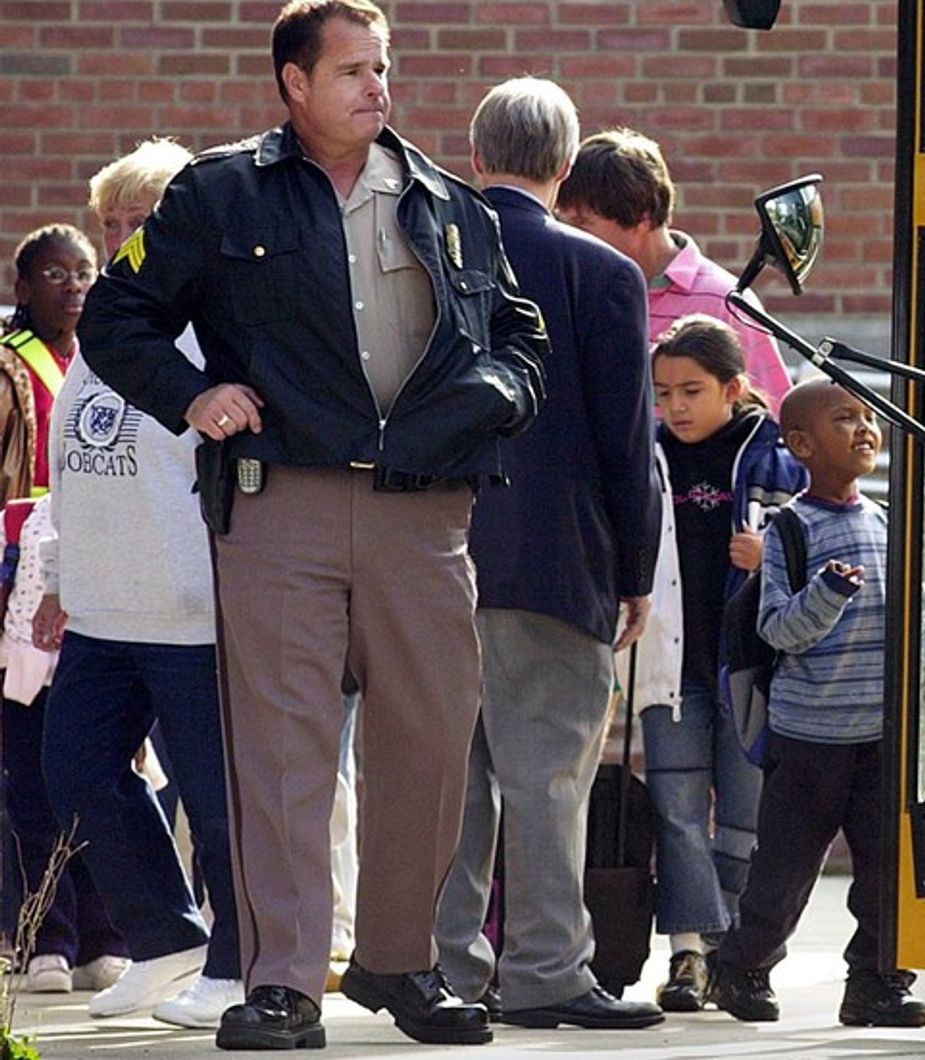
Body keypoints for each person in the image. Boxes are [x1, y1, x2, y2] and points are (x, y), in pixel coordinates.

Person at [77, 0, 548, 1050]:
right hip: (279, 500)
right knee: (283, 754)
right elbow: (118, 318)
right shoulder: (217, 191)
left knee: (427, 745)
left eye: (383, 68)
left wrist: (501, 394)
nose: (376, 88)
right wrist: (192, 397)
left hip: (427, 513)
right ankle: (284, 981)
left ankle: (398, 962)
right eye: (351, 71)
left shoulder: (443, 198)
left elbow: (521, 332)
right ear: (293, 83)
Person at [426, 76, 665, 1032]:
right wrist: (636, 574)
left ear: (477, 157)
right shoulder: (603, 274)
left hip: (433, 554)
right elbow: (626, 441)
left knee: (449, 780)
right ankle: (545, 970)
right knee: (549, 779)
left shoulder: (420, 254)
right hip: (557, 561)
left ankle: (441, 969)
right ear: (565, 166)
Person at [32, 137, 244, 1030]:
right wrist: (56, 574)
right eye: (110, 222)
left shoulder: (211, 330)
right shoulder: (97, 336)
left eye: (141, 221)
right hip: (100, 605)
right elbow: (70, 464)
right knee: (72, 770)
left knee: (217, 799)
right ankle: (165, 936)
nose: (121, 239)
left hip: (190, 611)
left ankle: (239, 963)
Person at [704, 377, 925, 1028]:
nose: (865, 428)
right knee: (784, 872)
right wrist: (826, 595)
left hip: (880, 736)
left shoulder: (884, 521)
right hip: (809, 740)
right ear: (802, 445)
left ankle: (877, 984)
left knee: (886, 870)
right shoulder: (790, 530)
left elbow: (917, 612)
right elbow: (777, 629)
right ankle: (740, 969)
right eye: (844, 418)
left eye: (868, 417)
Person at [630, 313, 806, 1012]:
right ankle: (687, 956)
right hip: (668, 671)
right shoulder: (644, 453)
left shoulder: (777, 458)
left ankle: (737, 950)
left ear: (735, 388)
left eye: (692, 391)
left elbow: (829, 545)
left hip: (752, 672)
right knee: (675, 813)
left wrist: (775, 561)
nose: (674, 407)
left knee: (745, 820)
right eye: (664, 392)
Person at [0, 225, 130, 997]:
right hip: (17, 583)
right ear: (23, 286)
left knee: (96, 760)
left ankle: (106, 933)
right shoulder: (12, 367)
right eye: (55, 273)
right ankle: (43, 935)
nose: (74, 286)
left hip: (100, 577)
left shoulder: (114, 358)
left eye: (84, 272)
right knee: (29, 763)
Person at [554, 128, 794, 410]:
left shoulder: (724, 303)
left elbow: (773, 423)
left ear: (641, 215)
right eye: (561, 221)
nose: (565, 236)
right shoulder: (568, 292)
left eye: (582, 223)